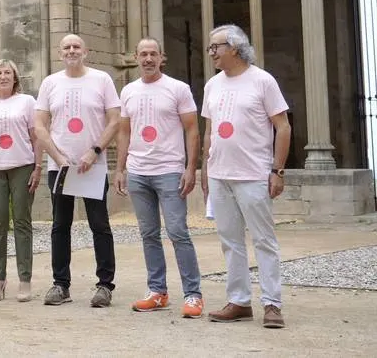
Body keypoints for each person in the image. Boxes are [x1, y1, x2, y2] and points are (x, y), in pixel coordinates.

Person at [201, 24, 291, 329]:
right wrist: (205, 169)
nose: (212, 52)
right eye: (211, 47)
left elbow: (283, 127)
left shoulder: (262, 81)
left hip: (253, 174)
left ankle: (272, 304)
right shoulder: (212, 85)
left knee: (264, 240)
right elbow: (209, 131)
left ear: (236, 48)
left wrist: (277, 170)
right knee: (230, 240)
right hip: (219, 175)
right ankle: (239, 301)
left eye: (217, 46)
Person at [115, 38, 203, 317]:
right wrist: (120, 168)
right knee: (148, 234)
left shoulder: (178, 88)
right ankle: (157, 292)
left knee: (178, 232)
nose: (148, 59)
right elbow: (124, 132)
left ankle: (192, 294)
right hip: (139, 171)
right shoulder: (128, 91)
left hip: (169, 170)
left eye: (153, 54)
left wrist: (190, 168)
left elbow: (192, 130)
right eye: (143, 54)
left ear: (162, 57)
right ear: (136, 57)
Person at [35, 34, 121, 308]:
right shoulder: (50, 83)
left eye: (76, 47)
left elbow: (114, 120)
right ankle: (61, 284)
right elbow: (39, 125)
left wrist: (94, 152)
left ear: (86, 52)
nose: (72, 51)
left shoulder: (102, 80)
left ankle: (105, 285)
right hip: (60, 167)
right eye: (67, 47)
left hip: (92, 167)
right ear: (60, 54)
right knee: (60, 226)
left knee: (100, 225)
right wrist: (59, 158)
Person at [0, 59, 40, 302]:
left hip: (22, 166)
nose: (3, 77)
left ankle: (25, 279)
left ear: (15, 78)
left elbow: (36, 136)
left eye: (8, 73)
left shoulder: (27, 102)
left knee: (22, 223)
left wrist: (37, 167)